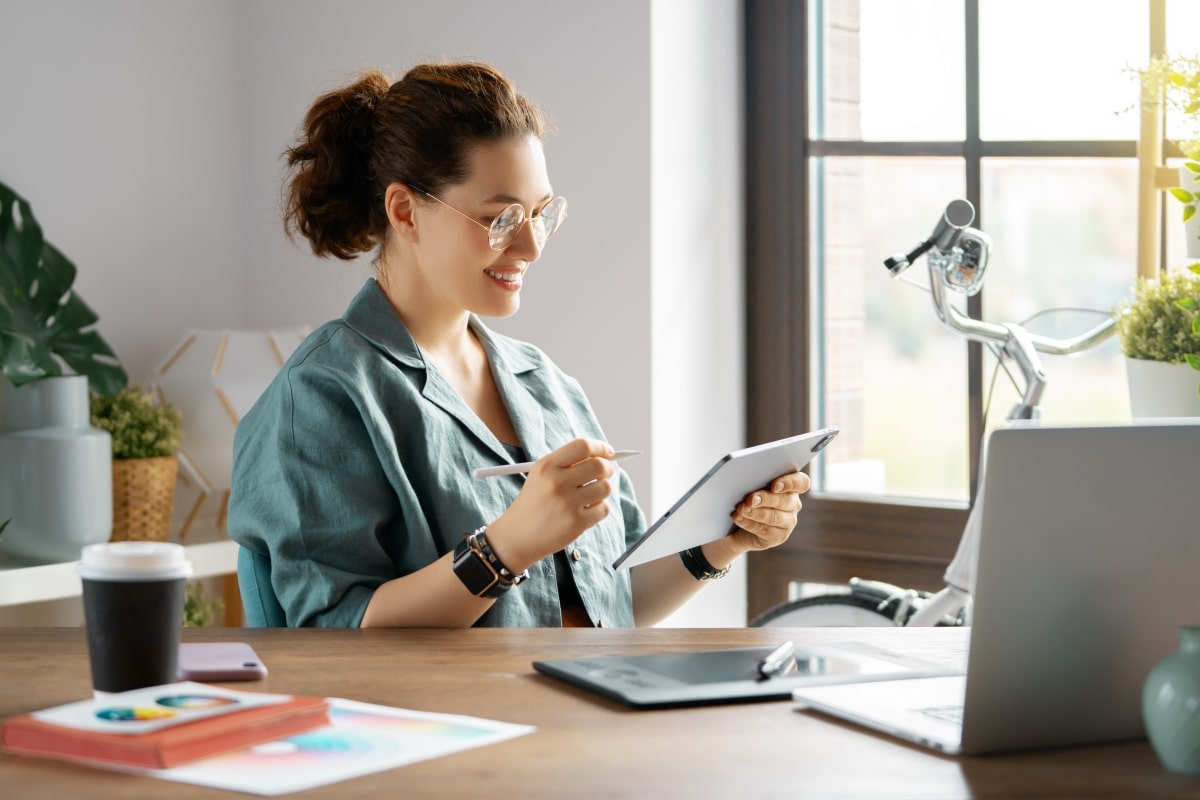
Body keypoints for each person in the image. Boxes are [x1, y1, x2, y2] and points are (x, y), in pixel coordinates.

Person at [228, 61, 810, 629]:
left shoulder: (545, 383)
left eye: (540, 214)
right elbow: (333, 636)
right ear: (406, 212)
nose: (531, 246)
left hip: (592, 711)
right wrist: (506, 546)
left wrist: (723, 541)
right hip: (461, 724)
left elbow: (617, 603)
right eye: (502, 218)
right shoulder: (323, 394)